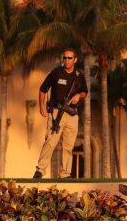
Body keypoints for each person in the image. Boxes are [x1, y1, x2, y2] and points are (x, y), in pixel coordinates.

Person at [32, 48, 88, 178]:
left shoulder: (79, 76)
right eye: (65, 58)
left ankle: (65, 173)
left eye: (69, 58)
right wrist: (42, 106)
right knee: (50, 141)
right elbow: (42, 89)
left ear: (75, 60)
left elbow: (85, 91)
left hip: (72, 114)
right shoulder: (56, 73)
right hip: (57, 112)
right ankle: (40, 170)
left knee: (68, 145)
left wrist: (79, 95)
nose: (66, 60)